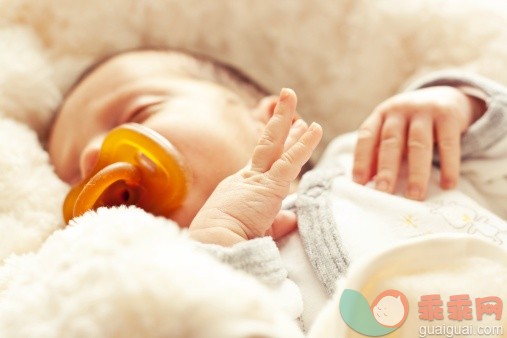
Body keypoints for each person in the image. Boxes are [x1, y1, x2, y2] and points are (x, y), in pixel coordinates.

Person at [48, 48, 507, 328]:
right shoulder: (185, 274)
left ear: (268, 119)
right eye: (72, 178)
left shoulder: (374, 159)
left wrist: (454, 104)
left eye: (139, 113)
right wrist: (220, 245)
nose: (93, 158)